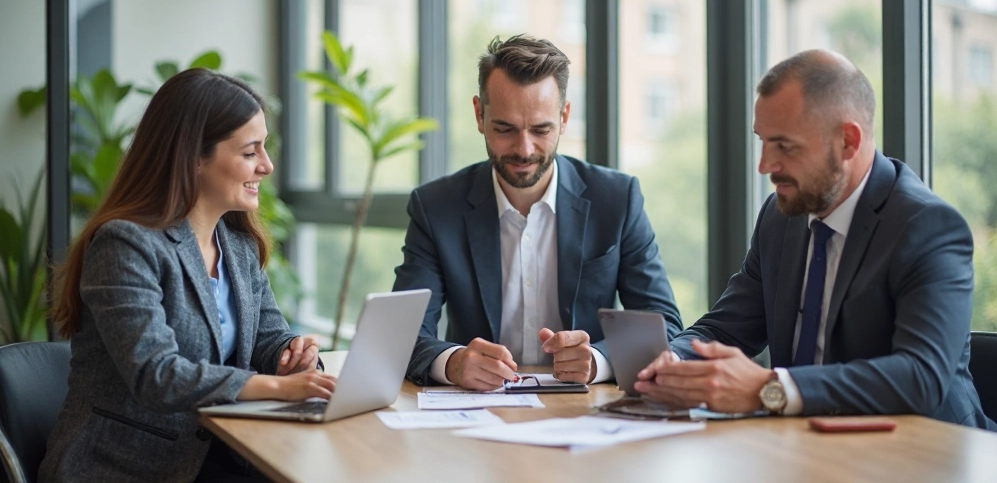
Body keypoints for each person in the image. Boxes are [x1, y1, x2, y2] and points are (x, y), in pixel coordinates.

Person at [634, 49, 997, 431]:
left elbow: (920, 377)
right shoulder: (781, 217)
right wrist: (674, 362)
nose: (765, 166)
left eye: (785, 146)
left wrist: (769, 389)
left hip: (928, 449)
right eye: (763, 142)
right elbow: (724, 330)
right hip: (810, 444)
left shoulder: (928, 227)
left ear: (848, 141)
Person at [39, 69, 339, 483]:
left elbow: (268, 337)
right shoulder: (125, 244)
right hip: (124, 467)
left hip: (220, 454)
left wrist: (292, 355)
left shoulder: (238, 245)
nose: (267, 166)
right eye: (250, 152)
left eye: (264, 148)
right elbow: (156, 375)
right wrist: (277, 388)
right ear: (194, 156)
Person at [394, 34, 683, 390]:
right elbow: (403, 334)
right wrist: (452, 363)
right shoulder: (436, 207)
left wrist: (599, 359)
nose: (524, 149)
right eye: (505, 129)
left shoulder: (617, 199)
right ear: (480, 114)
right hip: (477, 408)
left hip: (586, 407)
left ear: (564, 117)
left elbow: (665, 326)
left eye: (541, 129)